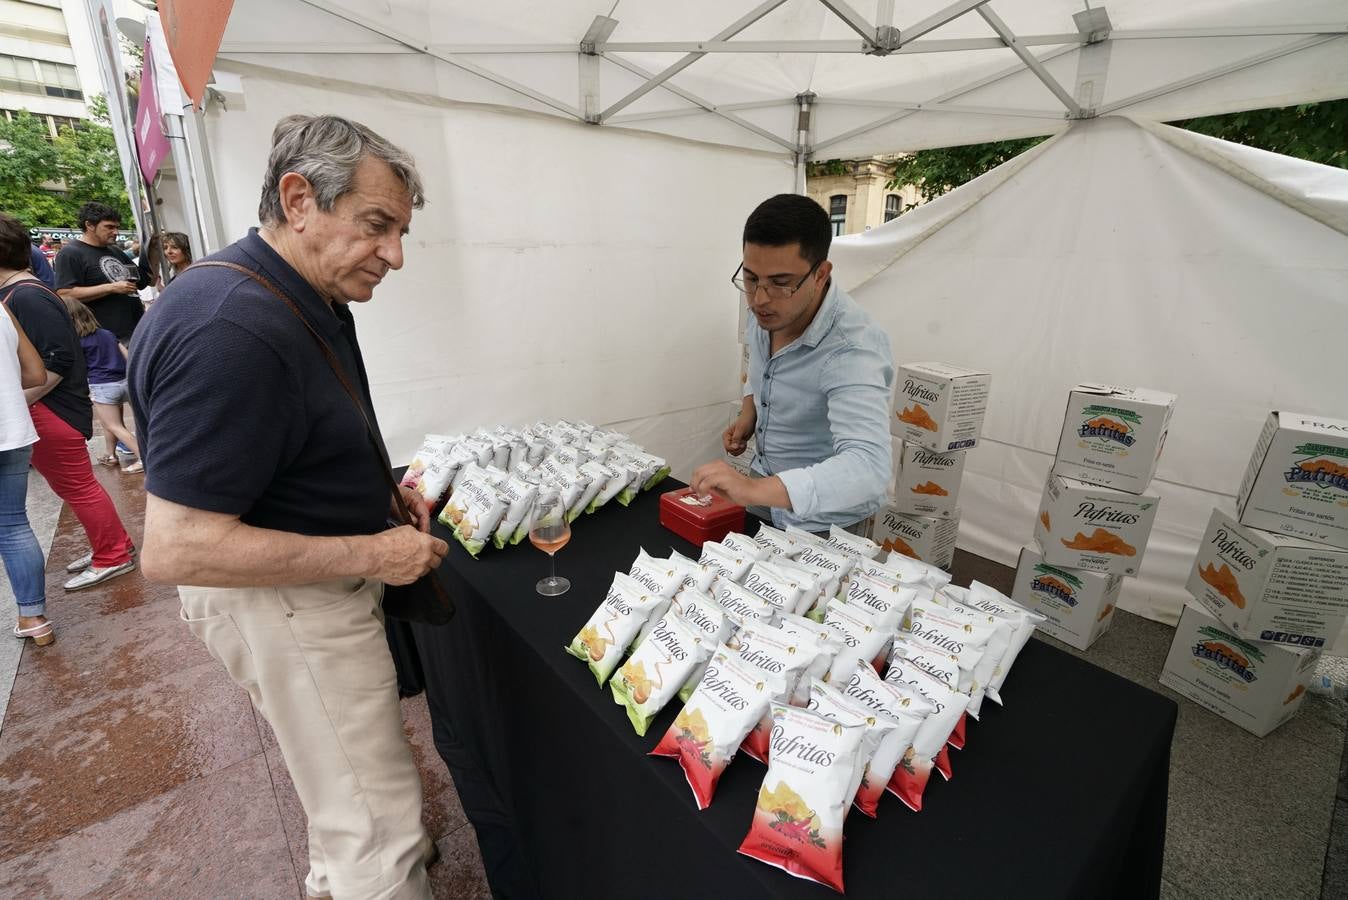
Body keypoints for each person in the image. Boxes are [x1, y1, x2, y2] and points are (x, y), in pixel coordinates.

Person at [129, 114, 448, 900]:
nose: (395, 255)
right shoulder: (231, 328)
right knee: (380, 833)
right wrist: (373, 554)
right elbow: (177, 548)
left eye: (401, 230)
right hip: (288, 607)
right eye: (376, 226)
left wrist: (373, 490)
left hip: (292, 599)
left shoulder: (286, 290)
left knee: (341, 792)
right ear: (299, 199)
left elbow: (286, 437)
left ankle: (339, 874)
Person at [690, 193, 894, 535]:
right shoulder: (767, 310)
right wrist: (749, 411)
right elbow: (760, 366)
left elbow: (869, 468)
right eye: (752, 278)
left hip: (824, 521)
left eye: (781, 283)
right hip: (761, 486)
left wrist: (753, 489)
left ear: (820, 274)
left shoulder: (852, 349)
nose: (760, 299)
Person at [0, 214, 138, 591]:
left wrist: (16, 401)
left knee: (78, 486)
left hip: (49, 409)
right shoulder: (22, 293)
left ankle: (113, 554)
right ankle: (113, 547)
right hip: (47, 407)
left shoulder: (25, 294)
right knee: (76, 486)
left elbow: (57, 360)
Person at [0, 299, 53, 645]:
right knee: (14, 524)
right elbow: (36, 374)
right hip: (11, 426)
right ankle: (34, 617)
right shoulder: (1, 308)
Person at [64, 298, 142, 474]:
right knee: (111, 423)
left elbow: (79, 368)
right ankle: (110, 454)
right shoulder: (106, 333)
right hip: (125, 381)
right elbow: (128, 356)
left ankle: (143, 457)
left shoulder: (77, 342)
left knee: (113, 424)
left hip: (103, 385)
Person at [54, 202, 149, 345]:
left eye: (117, 227)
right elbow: (65, 294)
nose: (116, 232)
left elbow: (144, 281)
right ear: (90, 225)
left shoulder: (115, 250)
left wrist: (152, 248)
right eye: (109, 227)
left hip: (137, 331)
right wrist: (111, 287)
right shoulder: (70, 253)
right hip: (109, 340)